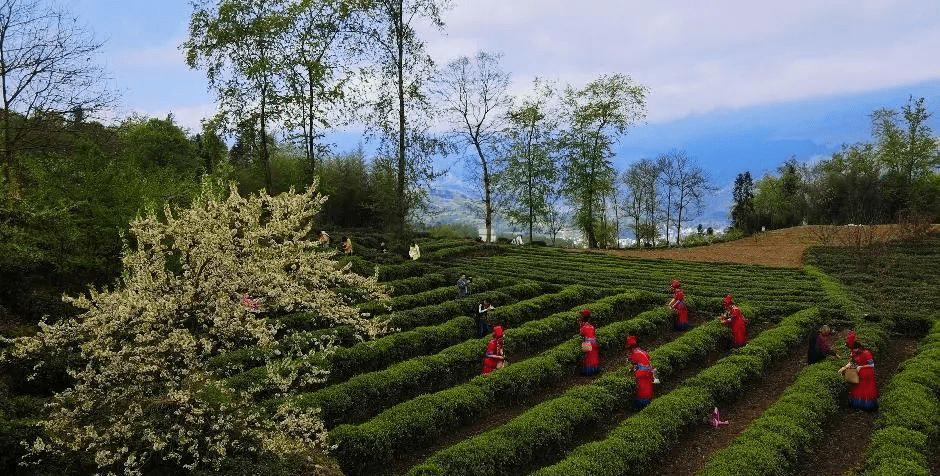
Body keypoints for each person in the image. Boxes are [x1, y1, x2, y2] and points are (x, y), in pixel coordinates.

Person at [839, 331, 878, 411]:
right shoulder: (854, 353)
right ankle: (856, 405)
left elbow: (872, 364)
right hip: (858, 373)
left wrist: (861, 366)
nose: (851, 352)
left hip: (866, 373)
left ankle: (866, 406)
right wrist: (844, 367)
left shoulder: (866, 353)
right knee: (857, 389)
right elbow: (852, 362)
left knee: (865, 390)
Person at [626, 335, 655, 409]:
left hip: (642, 372)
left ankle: (640, 405)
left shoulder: (632, 353)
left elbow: (633, 365)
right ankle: (647, 403)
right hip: (649, 371)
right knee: (647, 387)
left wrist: (631, 372)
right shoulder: (642, 351)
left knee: (641, 389)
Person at [578, 308, 601, 376]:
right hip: (593, 343)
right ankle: (595, 370)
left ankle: (589, 371)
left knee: (589, 358)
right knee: (593, 357)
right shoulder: (591, 326)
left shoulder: (584, 326)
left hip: (588, 344)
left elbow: (582, 334)